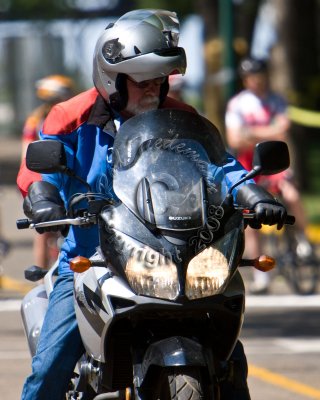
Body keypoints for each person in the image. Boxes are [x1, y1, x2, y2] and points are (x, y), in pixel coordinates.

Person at [17, 10, 287, 400]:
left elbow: (221, 166)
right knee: (49, 369)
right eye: (143, 81)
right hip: (92, 258)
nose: (153, 89)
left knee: (231, 362)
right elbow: (38, 170)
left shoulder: (181, 119)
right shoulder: (70, 117)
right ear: (112, 79)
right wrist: (42, 200)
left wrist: (255, 195)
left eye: (160, 80)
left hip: (172, 252)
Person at [225, 56, 313, 294]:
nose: (256, 81)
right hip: (249, 164)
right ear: (245, 80)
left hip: (276, 164)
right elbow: (234, 139)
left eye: (260, 76)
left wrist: (249, 132)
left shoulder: (277, 100)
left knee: (292, 194)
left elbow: (282, 130)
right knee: (251, 218)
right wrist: (267, 131)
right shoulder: (237, 104)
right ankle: (259, 271)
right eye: (251, 77)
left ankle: (304, 240)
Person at [21, 75, 75, 268]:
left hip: (68, 175)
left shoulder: (68, 115)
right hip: (43, 177)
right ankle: (41, 276)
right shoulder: (36, 120)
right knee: (43, 230)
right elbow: (26, 154)